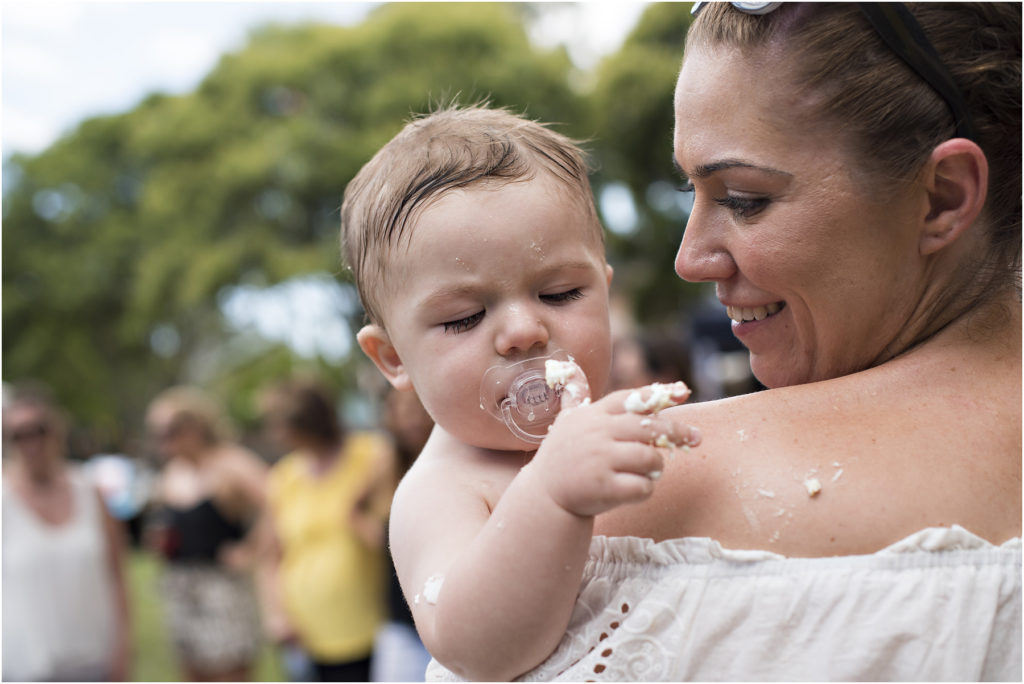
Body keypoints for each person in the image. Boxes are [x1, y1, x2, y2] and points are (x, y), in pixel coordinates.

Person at [426, 3, 1021, 681]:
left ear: (942, 196)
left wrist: (452, 471)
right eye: (692, 193)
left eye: (742, 199)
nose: (690, 257)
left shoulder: (639, 486)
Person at [341, 104, 701, 681]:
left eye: (559, 294)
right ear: (393, 358)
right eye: (464, 318)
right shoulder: (441, 490)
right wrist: (551, 491)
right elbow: (475, 647)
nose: (523, 332)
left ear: (604, 294)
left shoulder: (620, 421)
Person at [256, 378, 394, 682]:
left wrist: (357, 509)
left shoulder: (371, 455)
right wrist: (275, 614)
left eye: (279, 424)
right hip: (305, 634)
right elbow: (270, 556)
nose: (274, 433)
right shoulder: (284, 477)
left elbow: (389, 533)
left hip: (371, 627)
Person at [2, 384, 132, 682]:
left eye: (38, 429)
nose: (30, 442)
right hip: (23, 668)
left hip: (92, 664)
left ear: (57, 430)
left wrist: (123, 649)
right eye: (17, 434)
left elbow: (117, 576)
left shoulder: (90, 491)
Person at [145, 385, 267, 682]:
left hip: (221, 590)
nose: (165, 440)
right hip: (182, 589)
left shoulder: (230, 462)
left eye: (172, 430)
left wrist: (250, 550)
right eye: (159, 433)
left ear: (195, 426)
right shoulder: (172, 473)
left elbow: (278, 503)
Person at [371, 387, 435, 682]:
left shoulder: (458, 458)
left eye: (417, 408)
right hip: (401, 618)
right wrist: (380, 539)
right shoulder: (387, 467)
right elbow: (350, 509)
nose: (411, 419)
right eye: (402, 410)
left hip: (446, 613)